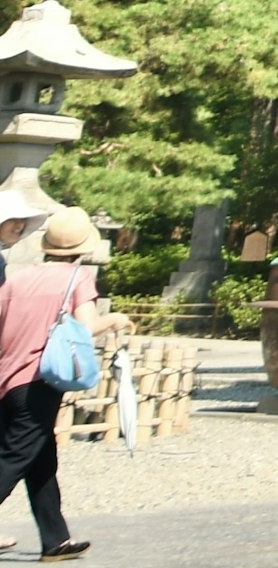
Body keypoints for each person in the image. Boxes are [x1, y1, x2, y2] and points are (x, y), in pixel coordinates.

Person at [0, 206, 111, 560]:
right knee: (14, 458)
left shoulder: (17, 278)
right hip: (38, 383)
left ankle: (55, 540)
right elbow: (86, 326)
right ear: (83, 248)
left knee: (41, 461)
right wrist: (116, 321)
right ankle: (54, 539)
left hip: (6, 380)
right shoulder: (76, 278)